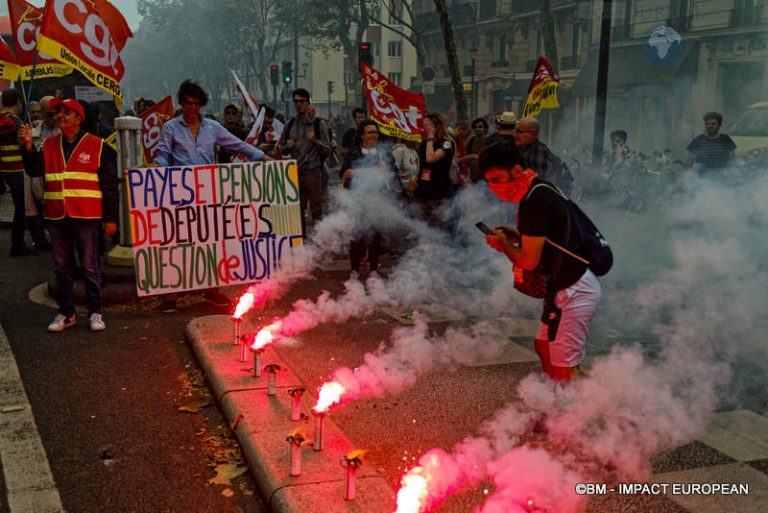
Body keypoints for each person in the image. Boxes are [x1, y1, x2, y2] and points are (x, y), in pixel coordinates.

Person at [479, 142, 601, 382]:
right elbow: (550, 235)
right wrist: (518, 236)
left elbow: (529, 262)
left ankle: (593, 408)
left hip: (574, 290)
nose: (493, 188)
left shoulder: (534, 203)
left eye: (496, 179)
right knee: (543, 346)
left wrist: (503, 245)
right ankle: (556, 403)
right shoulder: (540, 188)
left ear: (515, 170)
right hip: (564, 287)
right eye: (489, 182)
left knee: (566, 369)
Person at [154, 79, 269, 313]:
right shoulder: (171, 128)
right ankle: (170, 295)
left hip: (208, 193)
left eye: (197, 104)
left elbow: (237, 144)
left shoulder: (213, 128)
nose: (192, 108)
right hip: (179, 194)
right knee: (178, 242)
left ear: (202, 105)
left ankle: (211, 291)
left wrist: (263, 157)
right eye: (188, 103)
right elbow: (164, 154)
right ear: (181, 102)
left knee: (210, 242)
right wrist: (155, 168)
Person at [19, 98, 119, 332]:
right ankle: (66, 313)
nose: (60, 115)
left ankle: (95, 312)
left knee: (89, 266)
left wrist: (111, 218)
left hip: (87, 215)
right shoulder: (49, 144)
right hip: (56, 216)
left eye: (66, 112)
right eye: (59, 111)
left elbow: (109, 185)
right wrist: (26, 147)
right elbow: (34, 169)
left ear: (78, 118)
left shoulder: (98, 145)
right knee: (62, 267)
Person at [339, 119, 396, 279]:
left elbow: (393, 172)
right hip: (357, 200)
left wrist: (387, 173)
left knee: (376, 235)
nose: (374, 135)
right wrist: (371, 171)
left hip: (378, 199)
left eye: (376, 132)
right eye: (370, 132)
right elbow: (345, 174)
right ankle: (354, 269)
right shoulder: (354, 152)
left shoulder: (383, 152)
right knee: (357, 234)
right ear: (362, 135)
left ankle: (373, 269)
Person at [278, 88, 331, 238]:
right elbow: (282, 151)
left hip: (313, 172)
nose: (299, 104)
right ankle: (300, 242)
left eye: (302, 101)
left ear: (308, 102)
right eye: (296, 101)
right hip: (295, 174)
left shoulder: (318, 124)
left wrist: (315, 141)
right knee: (297, 211)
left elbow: (328, 151)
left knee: (316, 210)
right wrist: (287, 147)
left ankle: (321, 242)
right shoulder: (289, 125)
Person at [0, 89, 34, 256]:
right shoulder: (16, 121)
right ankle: (17, 245)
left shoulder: (1, 119)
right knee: (21, 209)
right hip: (17, 170)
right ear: (19, 102)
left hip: (2, 169)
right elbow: (25, 147)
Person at [410, 113, 455, 227]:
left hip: (438, 189)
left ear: (438, 127)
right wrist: (415, 175)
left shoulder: (446, 143)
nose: (425, 127)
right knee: (419, 218)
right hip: (423, 187)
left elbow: (430, 158)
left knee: (438, 221)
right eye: (424, 124)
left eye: (429, 125)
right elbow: (422, 162)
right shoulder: (424, 143)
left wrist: (430, 138)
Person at [513, 117, 574, 197]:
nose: (515, 135)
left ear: (532, 135)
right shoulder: (523, 148)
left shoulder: (538, 151)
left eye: (519, 132)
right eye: (515, 130)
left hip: (557, 193)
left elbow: (538, 185)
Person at [466, 117, 489, 182]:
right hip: (473, 175)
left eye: (480, 127)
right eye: (475, 127)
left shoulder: (489, 141)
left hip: (486, 176)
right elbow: (468, 155)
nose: (477, 129)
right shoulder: (472, 141)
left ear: (485, 128)